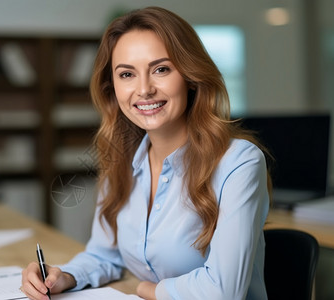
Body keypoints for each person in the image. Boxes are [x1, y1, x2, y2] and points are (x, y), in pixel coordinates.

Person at [21, 6, 271, 300]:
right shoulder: (120, 161)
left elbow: (223, 291)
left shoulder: (238, 162)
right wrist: (65, 276)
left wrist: (148, 290)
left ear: (190, 76)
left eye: (161, 69)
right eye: (127, 74)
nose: (144, 89)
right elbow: (105, 255)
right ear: (112, 87)